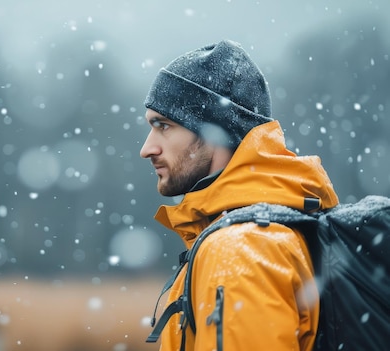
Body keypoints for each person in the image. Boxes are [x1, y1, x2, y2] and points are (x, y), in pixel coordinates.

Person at [139, 40, 339, 351]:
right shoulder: (273, 227)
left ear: (214, 132)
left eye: (163, 126)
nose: (147, 148)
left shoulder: (239, 251)